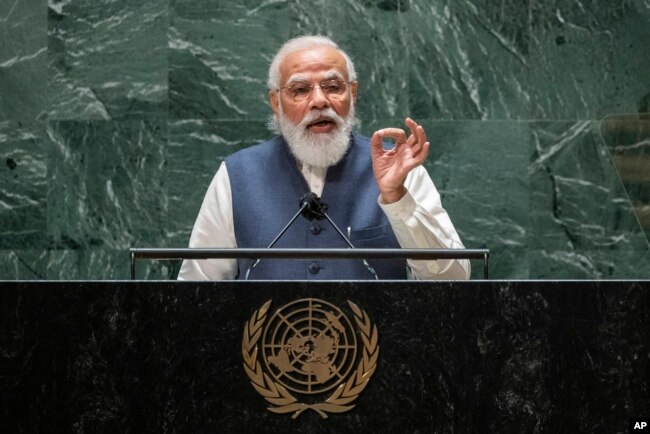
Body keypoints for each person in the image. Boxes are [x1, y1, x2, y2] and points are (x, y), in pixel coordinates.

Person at [177, 35, 470, 280]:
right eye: (300, 90)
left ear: (352, 94)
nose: (319, 101)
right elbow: (197, 294)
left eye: (333, 87)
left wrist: (396, 199)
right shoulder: (235, 175)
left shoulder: (400, 169)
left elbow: (454, 279)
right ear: (276, 103)